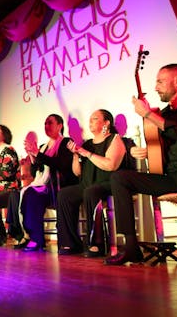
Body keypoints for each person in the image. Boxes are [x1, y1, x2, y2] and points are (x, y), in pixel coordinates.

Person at [105, 64, 177, 270]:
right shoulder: (163, 114)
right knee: (119, 178)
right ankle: (131, 246)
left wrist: (149, 115)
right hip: (174, 176)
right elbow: (164, 149)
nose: (156, 87)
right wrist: (148, 152)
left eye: (160, 81)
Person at [56, 109, 127, 257]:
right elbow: (78, 172)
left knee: (91, 191)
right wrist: (76, 156)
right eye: (90, 119)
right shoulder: (87, 144)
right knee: (64, 194)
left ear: (106, 123)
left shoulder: (114, 139)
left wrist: (86, 153)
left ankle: (97, 243)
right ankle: (70, 243)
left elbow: (111, 165)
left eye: (94, 118)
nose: (90, 122)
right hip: (87, 184)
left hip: (108, 184)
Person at [6, 114, 78, 252]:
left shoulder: (65, 142)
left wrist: (38, 154)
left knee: (31, 194)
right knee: (15, 195)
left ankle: (36, 240)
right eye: (45, 123)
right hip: (43, 186)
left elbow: (62, 165)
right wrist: (32, 157)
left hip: (56, 187)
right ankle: (22, 235)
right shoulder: (43, 146)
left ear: (60, 126)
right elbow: (36, 172)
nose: (47, 126)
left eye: (50, 123)